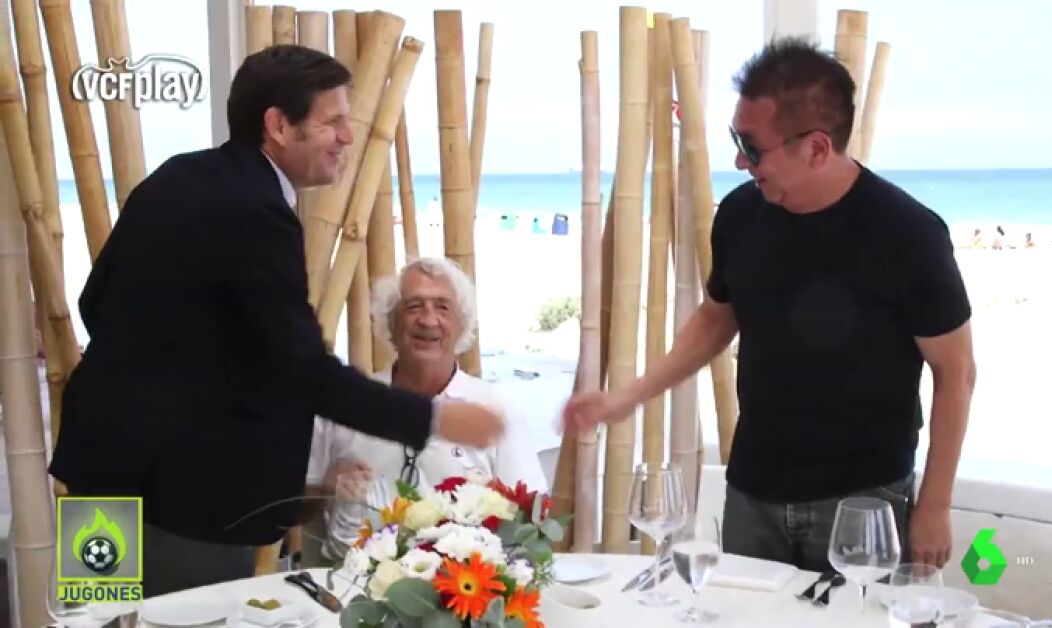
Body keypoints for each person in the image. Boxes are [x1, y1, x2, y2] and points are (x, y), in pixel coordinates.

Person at [48, 45, 506, 597]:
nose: (347, 137)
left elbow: (94, 302)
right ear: (279, 126)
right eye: (333, 122)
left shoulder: (180, 175)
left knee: (99, 616)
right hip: (184, 499)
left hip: (100, 467)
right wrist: (433, 418)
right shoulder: (256, 211)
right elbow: (304, 371)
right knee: (188, 618)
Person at [563, 37, 976, 573]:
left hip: (863, 501)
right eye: (737, 140)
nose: (739, 160)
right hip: (752, 491)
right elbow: (717, 317)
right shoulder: (740, 215)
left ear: (817, 148)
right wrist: (628, 397)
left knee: (855, 615)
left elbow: (956, 372)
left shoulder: (909, 234)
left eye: (753, 147)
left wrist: (936, 505)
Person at [301, 259, 547, 562]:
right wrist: (326, 488)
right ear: (390, 322)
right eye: (413, 306)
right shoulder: (345, 405)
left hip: (466, 584)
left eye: (443, 307)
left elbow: (532, 523)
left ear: (462, 325)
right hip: (349, 582)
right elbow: (294, 509)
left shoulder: (495, 410)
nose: (428, 320)